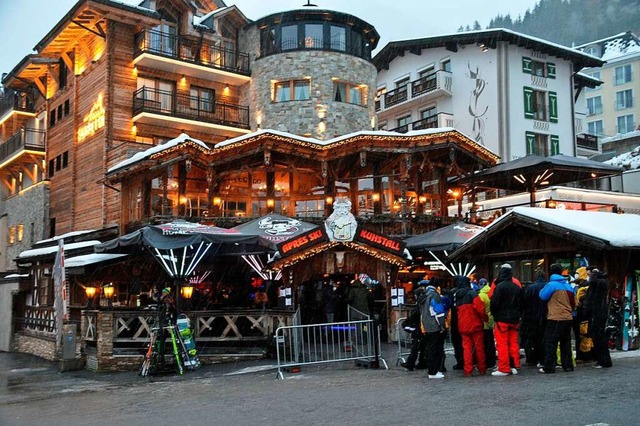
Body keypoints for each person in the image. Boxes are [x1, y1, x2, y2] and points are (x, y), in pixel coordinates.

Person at [539, 263, 576, 374]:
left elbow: (542, 296)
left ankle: (549, 367)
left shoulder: (551, 285)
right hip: (568, 318)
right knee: (566, 342)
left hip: (555, 317)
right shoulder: (568, 286)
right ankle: (568, 365)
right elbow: (574, 303)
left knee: (551, 342)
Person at [490, 264, 523, 376]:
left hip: (502, 319)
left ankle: (504, 368)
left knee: (502, 344)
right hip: (514, 319)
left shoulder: (499, 286)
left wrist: (495, 315)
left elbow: (494, 303)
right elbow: (522, 303)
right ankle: (514, 365)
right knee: (513, 343)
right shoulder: (517, 287)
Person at [453, 275, 488, 376]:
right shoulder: (472, 293)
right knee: (479, 348)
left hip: (463, 325)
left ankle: (468, 370)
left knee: (466, 348)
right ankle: (482, 369)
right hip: (475, 324)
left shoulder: (457, 294)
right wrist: (485, 319)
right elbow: (480, 308)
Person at [418, 281, 448, 379]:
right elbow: (439, 312)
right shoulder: (434, 295)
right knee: (435, 349)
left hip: (426, 325)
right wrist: (442, 326)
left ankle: (432, 370)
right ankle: (433, 371)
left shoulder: (423, 296)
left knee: (430, 349)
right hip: (435, 326)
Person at [583, 271, 613, 369]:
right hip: (601, 313)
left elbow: (590, 302)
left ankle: (602, 361)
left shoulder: (595, 287)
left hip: (596, 314)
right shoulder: (602, 285)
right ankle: (603, 360)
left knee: (598, 338)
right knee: (601, 337)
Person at [522, 270, 548, 367]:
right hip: (545, 316)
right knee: (544, 338)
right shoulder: (547, 286)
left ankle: (533, 359)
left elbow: (525, 303)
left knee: (533, 339)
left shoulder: (530, 288)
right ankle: (543, 358)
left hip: (532, 317)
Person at [401, 283, 427, 371]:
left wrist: (408, 324)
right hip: (421, 328)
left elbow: (414, 316)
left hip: (418, 328)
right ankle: (422, 362)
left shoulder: (420, 306)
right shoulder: (423, 304)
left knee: (415, 347)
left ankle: (410, 363)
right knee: (422, 347)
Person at [477, 278, 496, 369]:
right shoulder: (492, 292)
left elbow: (480, 310)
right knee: (491, 342)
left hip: (484, 321)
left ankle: (487, 362)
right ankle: (492, 361)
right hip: (492, 318)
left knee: (485, 343)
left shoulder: (481, 295)